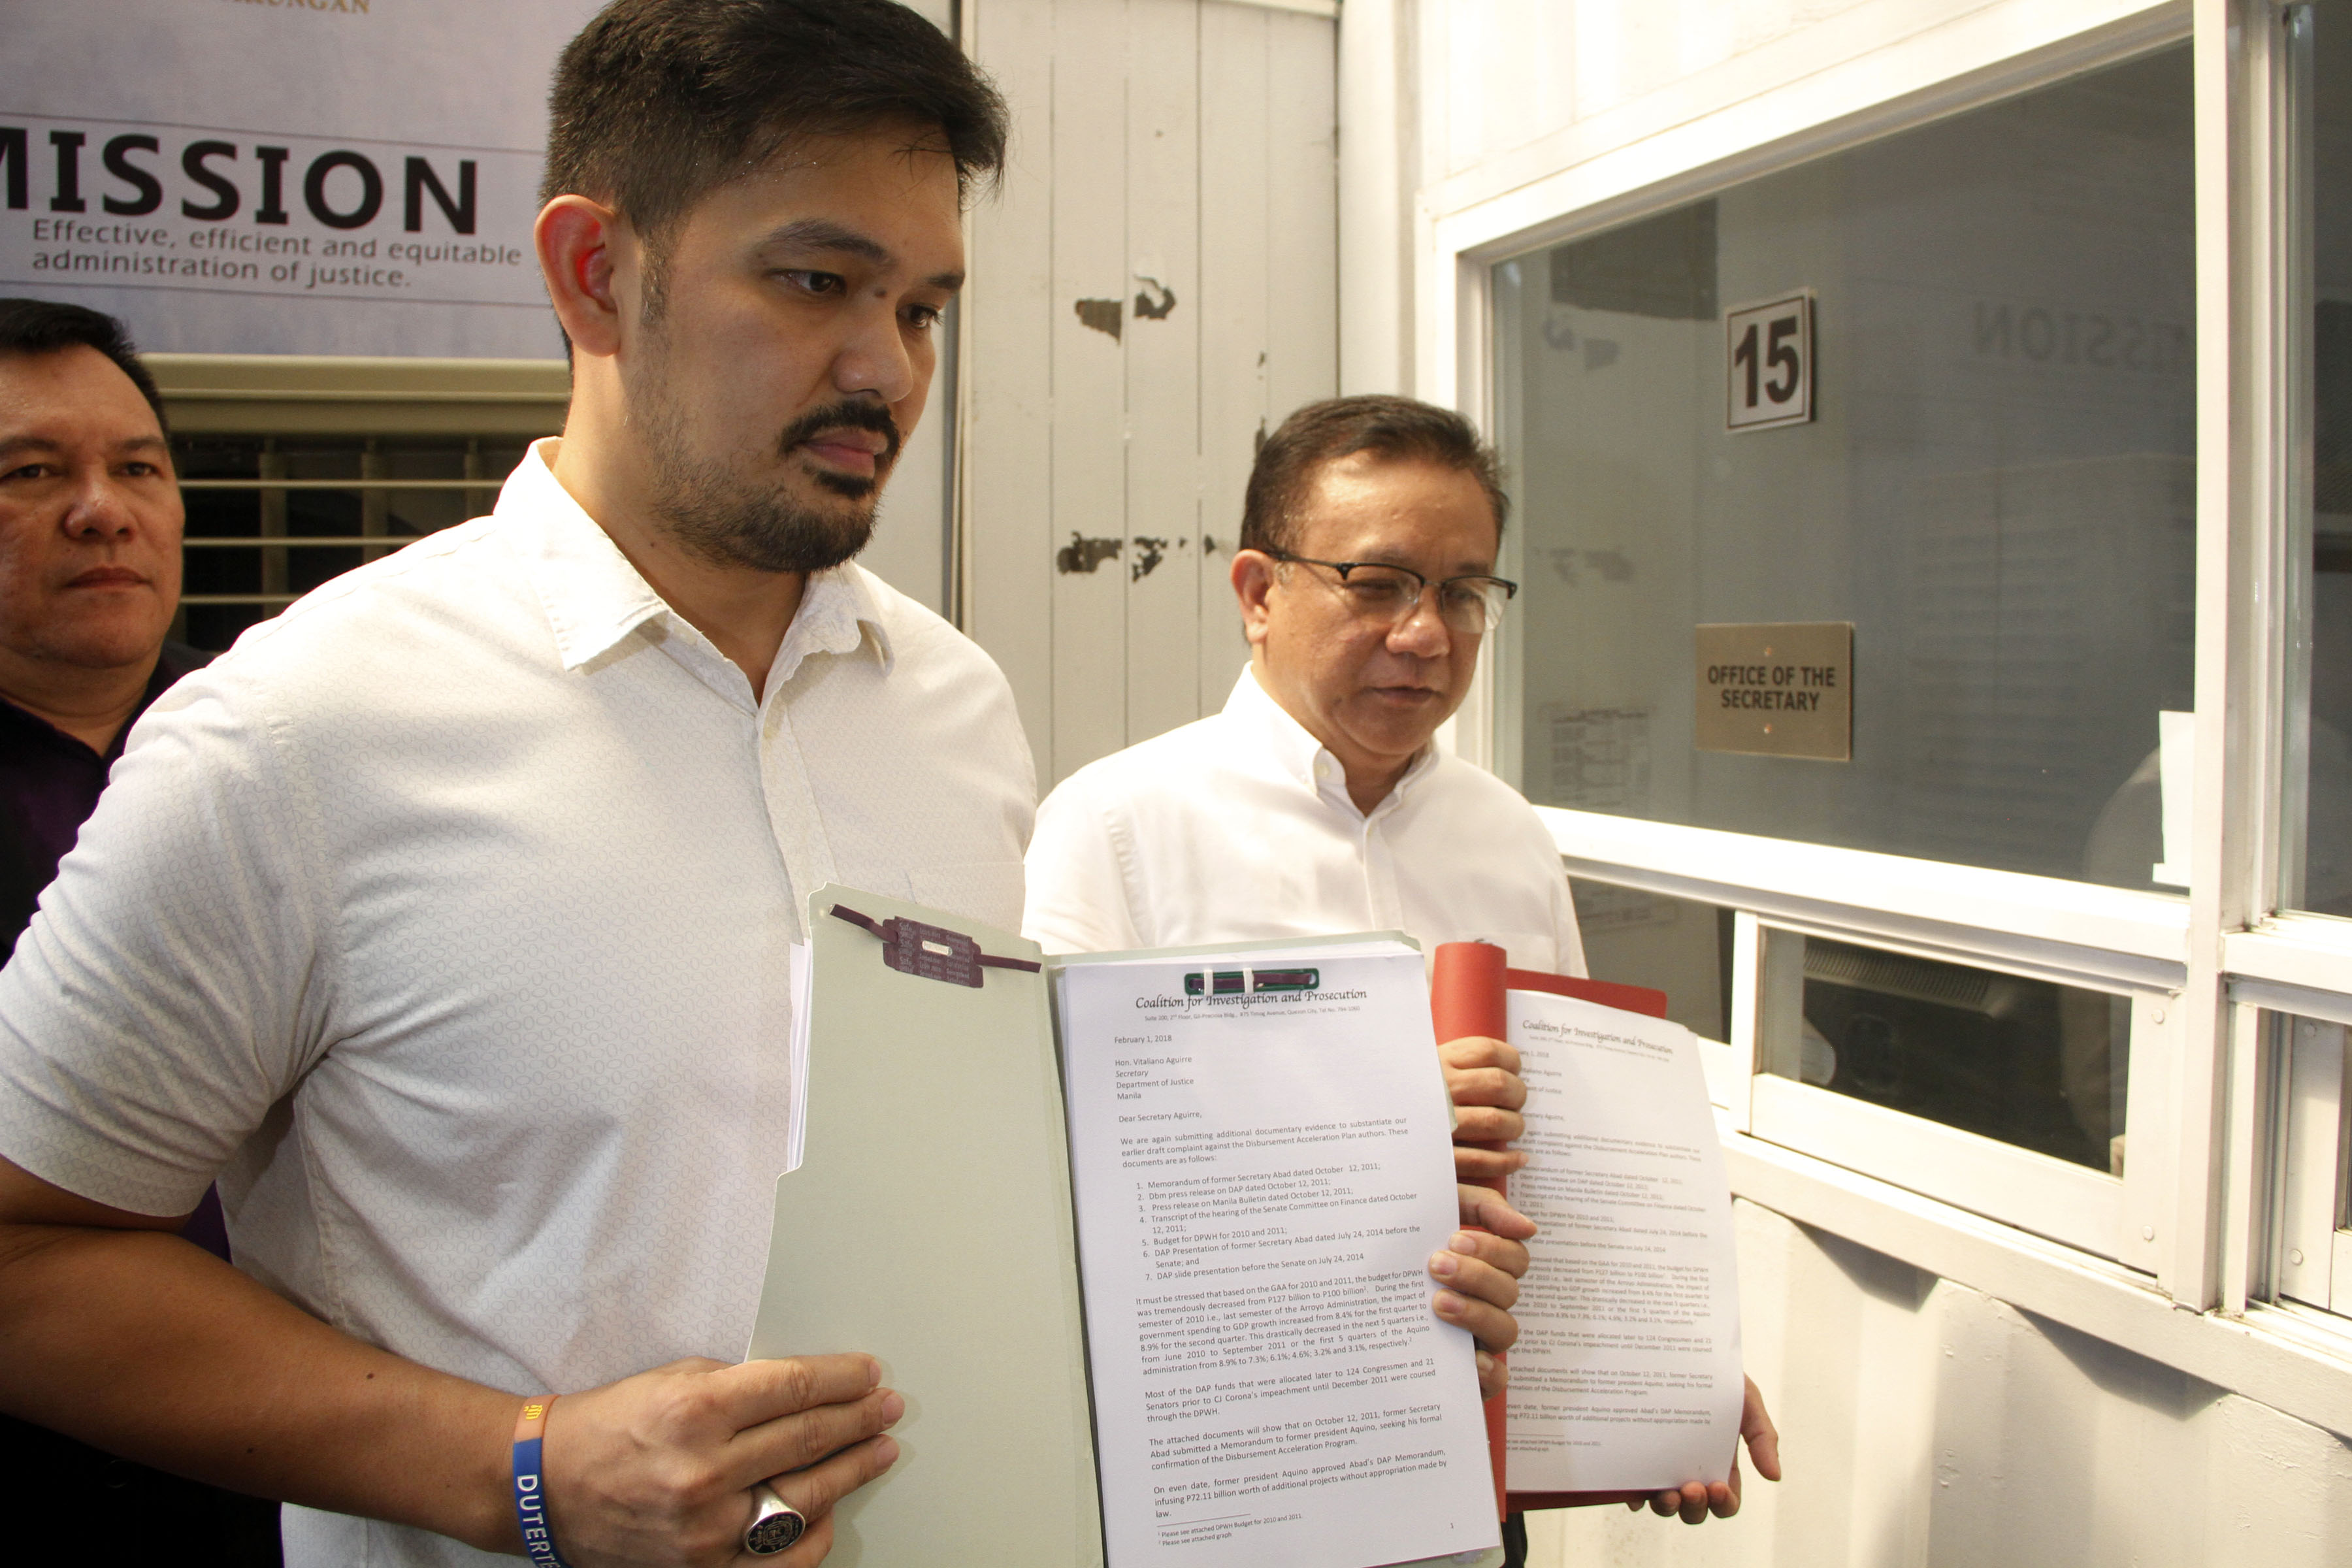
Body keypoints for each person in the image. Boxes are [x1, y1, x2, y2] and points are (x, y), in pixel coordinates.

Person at [0, 9, 1522, 1567]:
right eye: (814, 283)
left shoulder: (954, 708)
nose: (887, 370)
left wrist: (1360, 1262)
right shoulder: (300, 731)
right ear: (595, 272)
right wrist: (524, 1470)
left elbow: (1008, 1202)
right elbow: (29, 1255)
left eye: (923, 307)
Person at [1023, 395, 1783, 1556]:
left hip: (1465, 1501)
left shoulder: (1510, 839)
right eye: (1376, 585)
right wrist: (1389, 1123)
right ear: (1258, 594)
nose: (1427, 634)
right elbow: (1061, 1182)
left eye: (1464, 592)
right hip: (1233, 1497)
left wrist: (1666, 1384)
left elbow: (1563, 1170)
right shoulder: (1116, 827)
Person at [0, 298, 281, 1565]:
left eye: (138, 469)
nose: (100, 511)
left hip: (313, 1453)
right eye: (30, 474)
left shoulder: (281, 743)